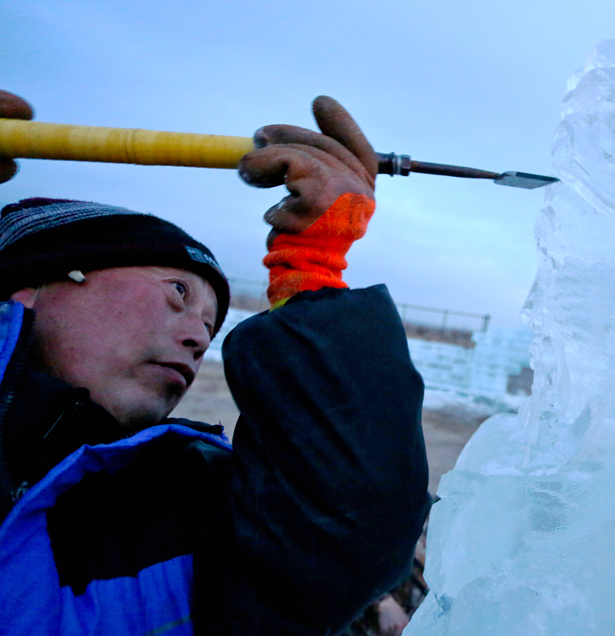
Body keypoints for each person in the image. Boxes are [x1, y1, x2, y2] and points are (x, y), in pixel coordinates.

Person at [0, 90, 431, 635]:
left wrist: (312, 269)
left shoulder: (175, 515)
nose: (197, 338)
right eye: (177, 292)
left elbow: (345, 528)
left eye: (209, 327)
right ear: (32, 284)